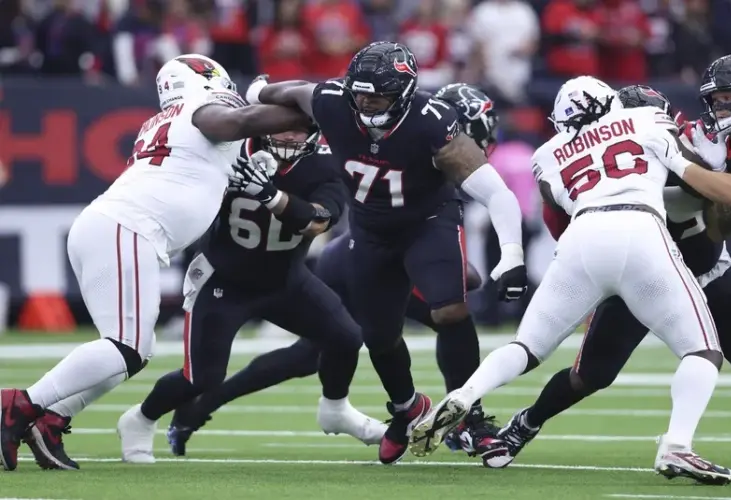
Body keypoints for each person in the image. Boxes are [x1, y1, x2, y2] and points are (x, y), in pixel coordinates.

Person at [409, 75, 731, 485]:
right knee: (702, 351)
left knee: (526, 346)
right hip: (639, 225)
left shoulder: (546, 154)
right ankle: (677, 445)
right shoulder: (648, 118)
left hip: (583, 236)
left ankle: (465, 394)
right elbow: (694, 172)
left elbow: (557, 208)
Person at [165, 83, 510, 467]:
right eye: (478, 135)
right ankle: (199, 407)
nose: (480, 145)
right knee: (313, 353)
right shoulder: (418, 138)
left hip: (365, 255)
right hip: (356, 260)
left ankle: (451, 413)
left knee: (448, 315)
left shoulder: (425, 142)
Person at [0, 54, 311, 472]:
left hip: (116, 227)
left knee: (131, 349)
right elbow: (239, 122)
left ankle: (52, 417)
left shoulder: (170, 121)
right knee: (126, 347)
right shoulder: (201, 113)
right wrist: (316, 102)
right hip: (126, 228)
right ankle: (20, 405)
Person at [249, 41, 528, 464]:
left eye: (375, 95)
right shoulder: (332, 101)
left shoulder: (431, 121)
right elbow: (290, 92)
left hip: (427, 224)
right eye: (358, 93)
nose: (364, 102)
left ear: (403, 92)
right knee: (378, 337)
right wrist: (256, 92)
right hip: (371, 232)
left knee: (451, 309)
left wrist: (511, 254)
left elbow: (496, 193)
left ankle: (469, 417)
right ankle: (405, 410)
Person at [501, 84, 731, 479]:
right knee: (590, 375)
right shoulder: (605, 168)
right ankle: (525, 422)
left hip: (705, 269)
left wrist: (703, 188)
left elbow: (722, 222)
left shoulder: (693, 149)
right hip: (642, 276)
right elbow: (566, 227)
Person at [117, 126, 386, 463]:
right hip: (224, 281)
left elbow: (319, 222)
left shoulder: (325, 164)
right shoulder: (227, 153)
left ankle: (335, 408)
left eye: (298, 130)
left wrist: (271, 196)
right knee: (201, 377)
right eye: (281, 129)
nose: (289, 137)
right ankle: (140, 418)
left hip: (286, 281)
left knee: (346, 338)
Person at [670, 54, 731, 228]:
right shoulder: (729, 144)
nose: (720, 108)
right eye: (715, 101)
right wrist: (719, 172)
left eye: (728, 98)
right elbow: (722, 229)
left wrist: (674, 160)